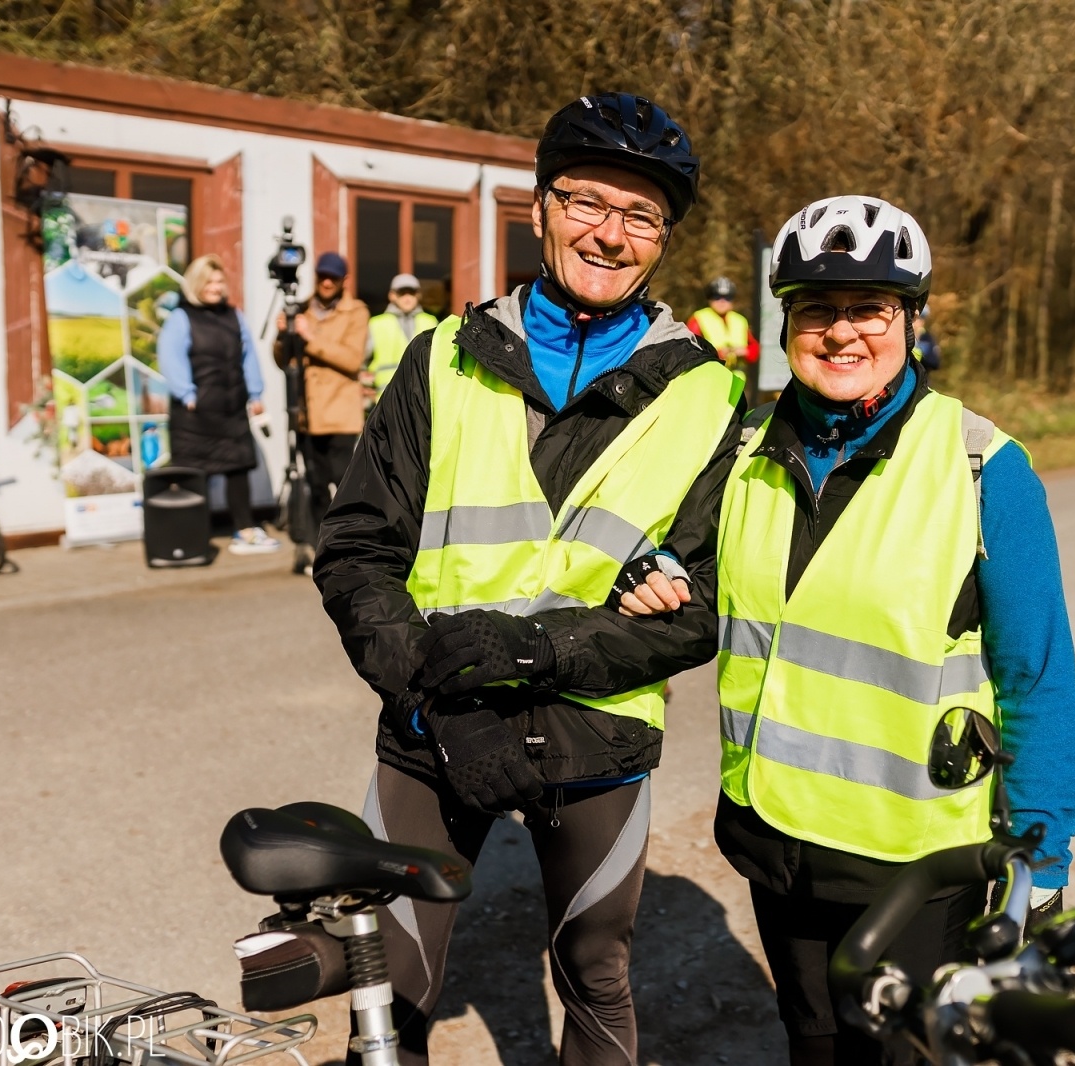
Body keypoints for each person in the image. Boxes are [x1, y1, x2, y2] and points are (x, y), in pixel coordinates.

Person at [312, 93, 743, 1066]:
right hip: (435, 719)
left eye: (641, 216)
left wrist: (536, 649)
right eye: (588, 201)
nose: (610, 234)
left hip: (596, 728)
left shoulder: (708, 393)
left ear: (664, 239)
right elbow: (357, 548)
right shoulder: (440, 361)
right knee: (390, 981)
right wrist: (427, 693)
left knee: (595, 970)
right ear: (540, 206)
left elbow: (706, 608)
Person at [618, 195, 1075, 1066]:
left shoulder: (983, 468)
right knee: (813, 1044)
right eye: (816, 309)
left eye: (869, 308)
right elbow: (703, 584)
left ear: (912, 320)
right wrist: (657, 578)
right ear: (785, 323)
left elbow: (1036, 676)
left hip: (916, 863)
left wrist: (1041, 861)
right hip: (776, 840)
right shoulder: (744, 452)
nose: (841, 332)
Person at [158, 254, 278, 554]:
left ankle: (245, 531)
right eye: (208, 282)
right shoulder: (181, 318)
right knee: (194, 476)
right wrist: (188, 395)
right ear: (195, 284)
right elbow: (170, 358)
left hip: (232, 409)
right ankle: (191, 537)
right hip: (195, 415)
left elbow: (248, 357)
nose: (215, 287)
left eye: (219, 281)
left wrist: (256, 394)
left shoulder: (234, 316)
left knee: (239, 469)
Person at [274, 250, 368, 549]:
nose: (327, 283)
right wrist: (282, 337)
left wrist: (310, 335)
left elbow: (352, 360)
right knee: (315, 485)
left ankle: (351, 544)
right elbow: (283, 361)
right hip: (307, 414)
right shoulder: (301, 309)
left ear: (344, 280)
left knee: (344, 484)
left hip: (339, 415)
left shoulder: (356, 312)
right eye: (322, 276)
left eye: (333, 278)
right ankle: (319, 548)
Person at [366, 272, 439, 400]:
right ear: (392, 295)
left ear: (418, 295)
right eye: (402, 293)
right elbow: (361, 362)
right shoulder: (376, 324)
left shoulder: (431, 322)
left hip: (422, 397)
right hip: (386, 397)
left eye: (411, 292)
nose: (407, 297)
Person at [688, 275, 759, 382]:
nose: (722, 301)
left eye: (727, 297)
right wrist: (717, 354)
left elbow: (754, 348)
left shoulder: (740, 320)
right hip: (709, 377)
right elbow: (689, 349)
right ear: (709, 298)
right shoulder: (699, 318)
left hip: (737, 378)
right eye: (716, 296)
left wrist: (745, 352)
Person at [912, 305, 941, 373]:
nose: (917, 322)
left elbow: (935, 363)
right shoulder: (901, 334)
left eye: (920, 318)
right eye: (914, 317)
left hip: (921, 376)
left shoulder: (927, 338)